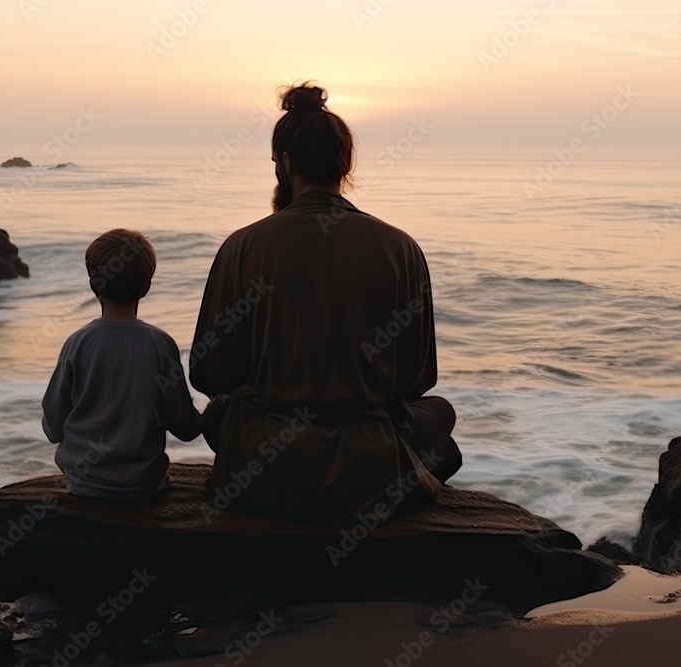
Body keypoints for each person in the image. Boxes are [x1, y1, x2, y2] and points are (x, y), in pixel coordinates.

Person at [191, 82, 462, 524]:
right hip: (370, 463)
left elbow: (208, 372)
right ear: (345, 163)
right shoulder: (400, 248)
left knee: (218, 413)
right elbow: (417, 379)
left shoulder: (243, 246)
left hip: (263, 465)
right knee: (440, 415)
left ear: (285, 163)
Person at [42, 228, 202, 500]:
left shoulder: (78, 343)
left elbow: (54, 426)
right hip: (143, 484)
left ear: (94, 285)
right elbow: (184, 427)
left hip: (83, 483)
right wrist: (217, 411)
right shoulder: (160, 344)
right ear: (147, 286)